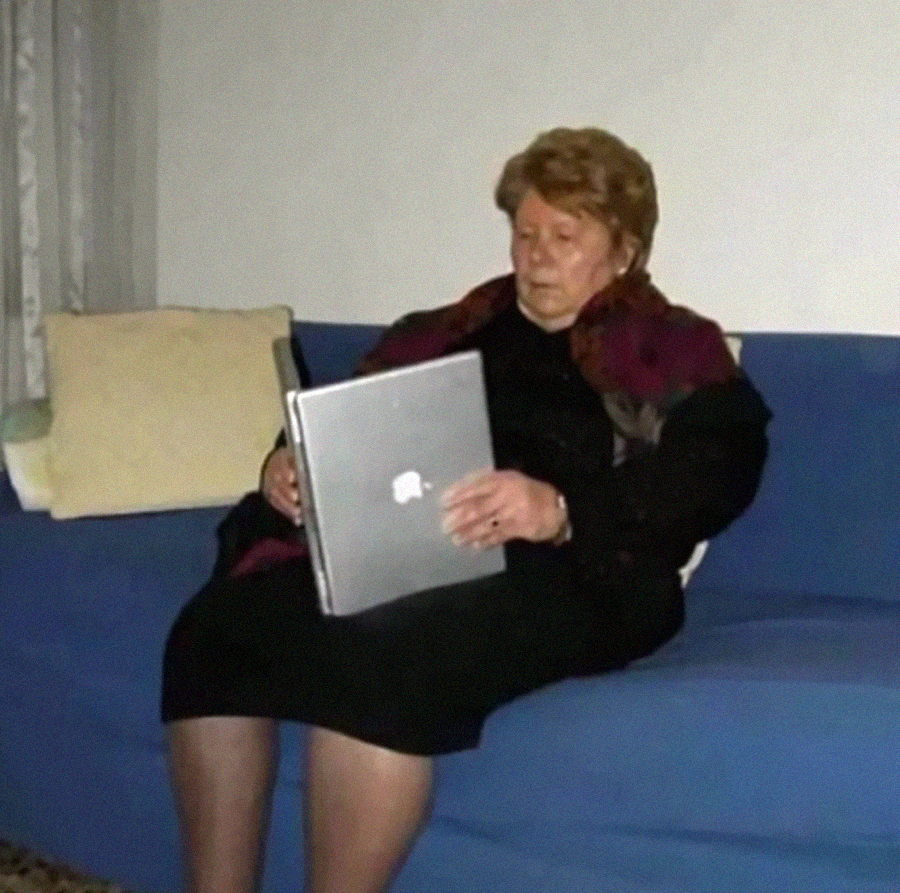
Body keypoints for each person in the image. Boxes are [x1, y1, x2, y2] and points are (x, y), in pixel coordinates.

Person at [162, 126, 771, 893]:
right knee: (216, 628)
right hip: (411, 550)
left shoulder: (673, 346)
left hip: (578, 567)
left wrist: (558, 506)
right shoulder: (444, 332)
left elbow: (721, 470)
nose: (535, 254)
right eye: (524, 232)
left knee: (382, 656)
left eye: (563, 236)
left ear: (624, 252)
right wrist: (289, 468)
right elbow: (343, 423)